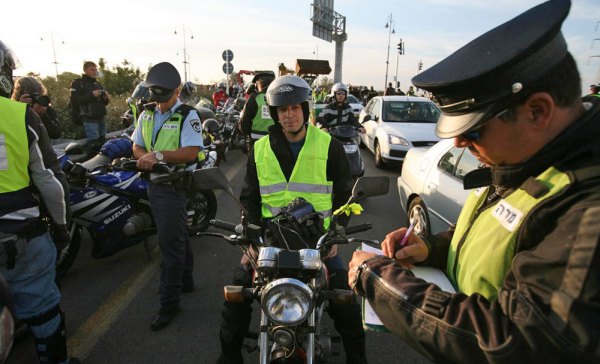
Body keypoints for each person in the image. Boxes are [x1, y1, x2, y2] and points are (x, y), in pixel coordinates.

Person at [348, 0, 600, 363]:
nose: (459, 143)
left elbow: (517, 339)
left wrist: (381, 282)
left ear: (538, 111)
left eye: (475, 130)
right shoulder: (527, 160)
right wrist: (431, 248)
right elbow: (500, 239)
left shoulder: (587, 206)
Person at [217, 75, 368, 364]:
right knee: (235, 296)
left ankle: (358, 359)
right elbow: (249, 196)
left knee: (345, 301)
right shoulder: (259, 150)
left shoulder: (329, 145)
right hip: (271, 243)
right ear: (275, 113)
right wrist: (250, 236)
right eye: (282, 110)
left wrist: (337, 231)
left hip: (317, 242)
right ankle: (228, 356)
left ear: (306, 109)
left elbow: (346, 193)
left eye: (295, 108)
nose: (289, 115)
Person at [0, 40, 79, 363]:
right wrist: (62, 228)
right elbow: (49, 180)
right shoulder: (19, 116)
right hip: (18, 231)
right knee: (41, 305)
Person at [131, 62, 204, 331]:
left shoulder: (188, 115)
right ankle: (186, 281)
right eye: (155, 98)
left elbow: (191, 152)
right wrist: (145, 158)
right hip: (154, 184)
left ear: (177, 91)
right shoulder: (147, 114)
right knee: (178, 233)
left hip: (174, 186)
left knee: (169, 243)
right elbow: (136, 145)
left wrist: (158, 157)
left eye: (165, 98)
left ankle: (169, 304)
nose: (160, 103)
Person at [69, 61, 110, 155]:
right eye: (92, 69)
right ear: (85, 70)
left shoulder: (97, 83)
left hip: (101, 118)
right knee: (94, 145)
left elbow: (105, 103)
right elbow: (75, 101)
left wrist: (105, 98)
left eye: (95, 69)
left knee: (102, 143)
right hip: (89, 119)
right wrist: (91, 94)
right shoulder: (78, 83)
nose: (95, 71)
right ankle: (92, 164)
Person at [238, 72, 275, 145]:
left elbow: (244, 127)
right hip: (277, 141)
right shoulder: (279, 97)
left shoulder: (254, 99)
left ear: (258, 85)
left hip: (257, 143)